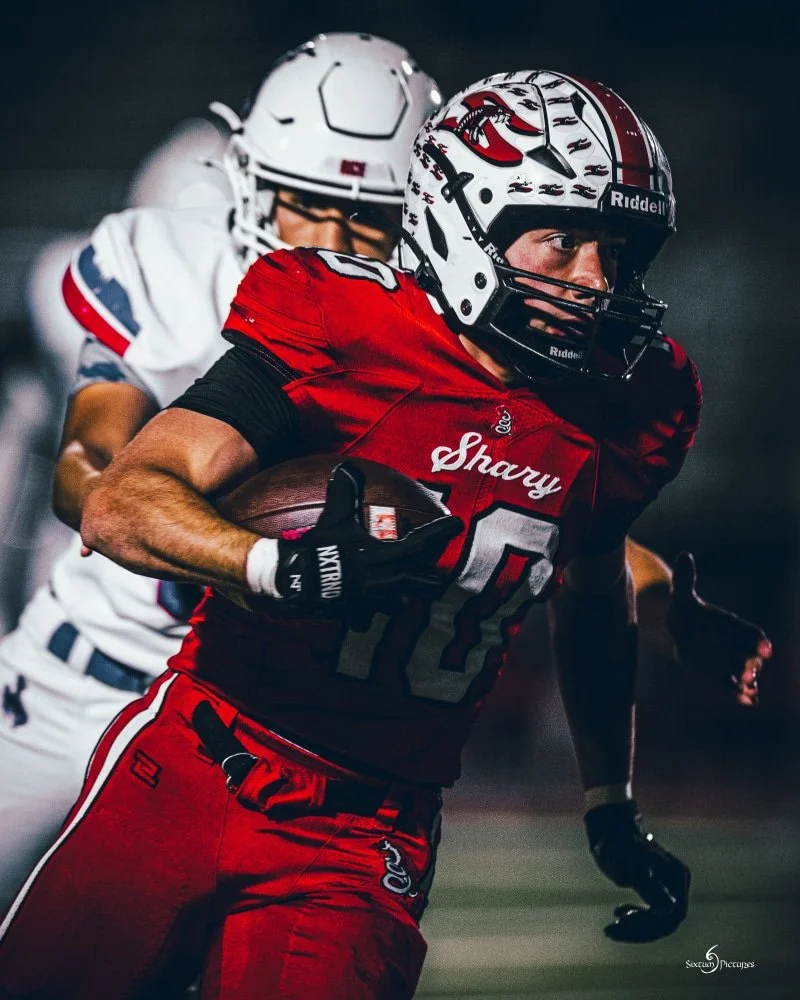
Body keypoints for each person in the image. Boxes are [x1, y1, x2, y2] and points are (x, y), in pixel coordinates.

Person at [0, 68, 744, 998]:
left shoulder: (637, 402)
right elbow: (120, 499)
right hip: (192, 760)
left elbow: (584, 579)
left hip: (365, 834)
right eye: (564, 239)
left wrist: (609, 804)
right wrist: (274, 565)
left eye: (622, 252)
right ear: (467, 221)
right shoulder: (337, 324)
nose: (597, 283)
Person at [0, 31, 443, 913]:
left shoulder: (437, 342)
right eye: (304, 205)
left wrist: (650, 594)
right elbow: (87, 465)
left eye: (369, 216)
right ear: (248, 184)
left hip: (266, 736)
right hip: (88, 684)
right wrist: (217, 543)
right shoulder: (175, 270)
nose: (328, 241)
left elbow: (542, 519)